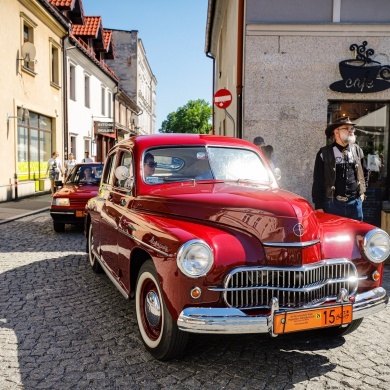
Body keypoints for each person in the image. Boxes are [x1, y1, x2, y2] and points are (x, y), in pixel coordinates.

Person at [312, 117, 368, 221]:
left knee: (356, 235)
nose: (351, 131)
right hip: (332, 204)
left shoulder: (357, 151)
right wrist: (318, 205)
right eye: (347, 128)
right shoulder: (324, 153)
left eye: (352, 129)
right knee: (333, 236)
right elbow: (318, 181)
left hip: (355, 204)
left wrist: (362, 192)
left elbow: (364, 173)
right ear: (336, 131)